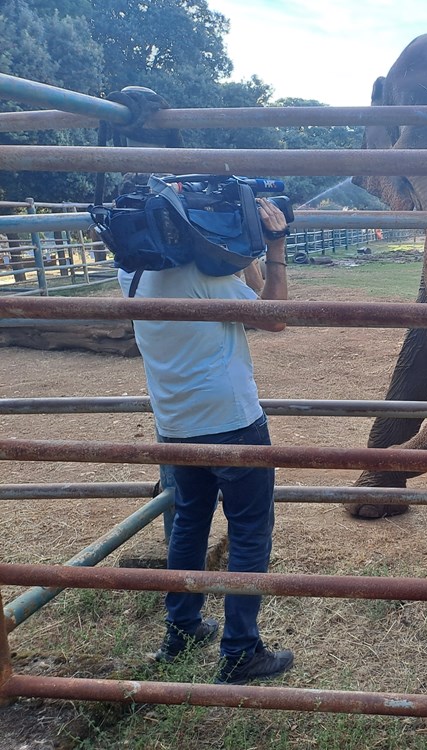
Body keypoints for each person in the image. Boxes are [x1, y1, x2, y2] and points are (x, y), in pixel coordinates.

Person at [120, 197, 293, 685]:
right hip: (233, 421)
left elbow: (249, 290)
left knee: (189, 526)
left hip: (176, 425)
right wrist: (274, 244)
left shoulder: (131, 274)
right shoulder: (207, 278)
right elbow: (276, 314)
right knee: (249, 532)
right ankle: (240, 651)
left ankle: (181, 628)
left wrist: (245, 251)